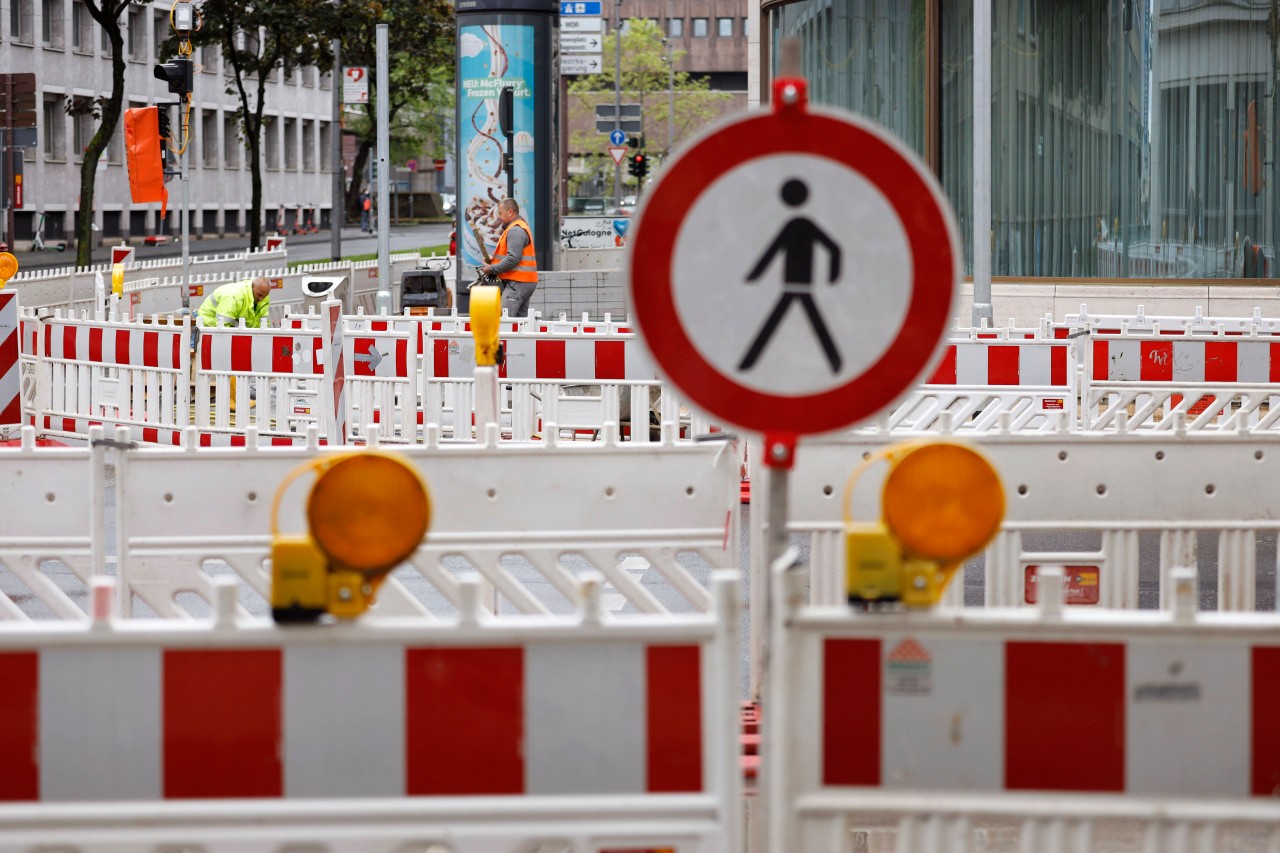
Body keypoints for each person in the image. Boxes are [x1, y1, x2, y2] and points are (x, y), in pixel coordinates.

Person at [479, 198, 538, 318]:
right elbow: (514, 256)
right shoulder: (519, 227)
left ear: (510, 212)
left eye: (500, 213)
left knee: (505, 322)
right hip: (524, 282)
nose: (498, 217)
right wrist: (493, 259)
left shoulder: (515, 230)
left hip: (517, 283)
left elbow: (513, 259)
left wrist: (491, 269)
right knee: (520, 324)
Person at [197, 276, 272, 330]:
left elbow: (263, 324)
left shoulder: (263, 296)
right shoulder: (235, 297)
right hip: (209, 323)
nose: (261, 299)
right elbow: (223, 325)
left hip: (231, 326)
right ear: (252, 287)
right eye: (259, 295)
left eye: (265, 296)